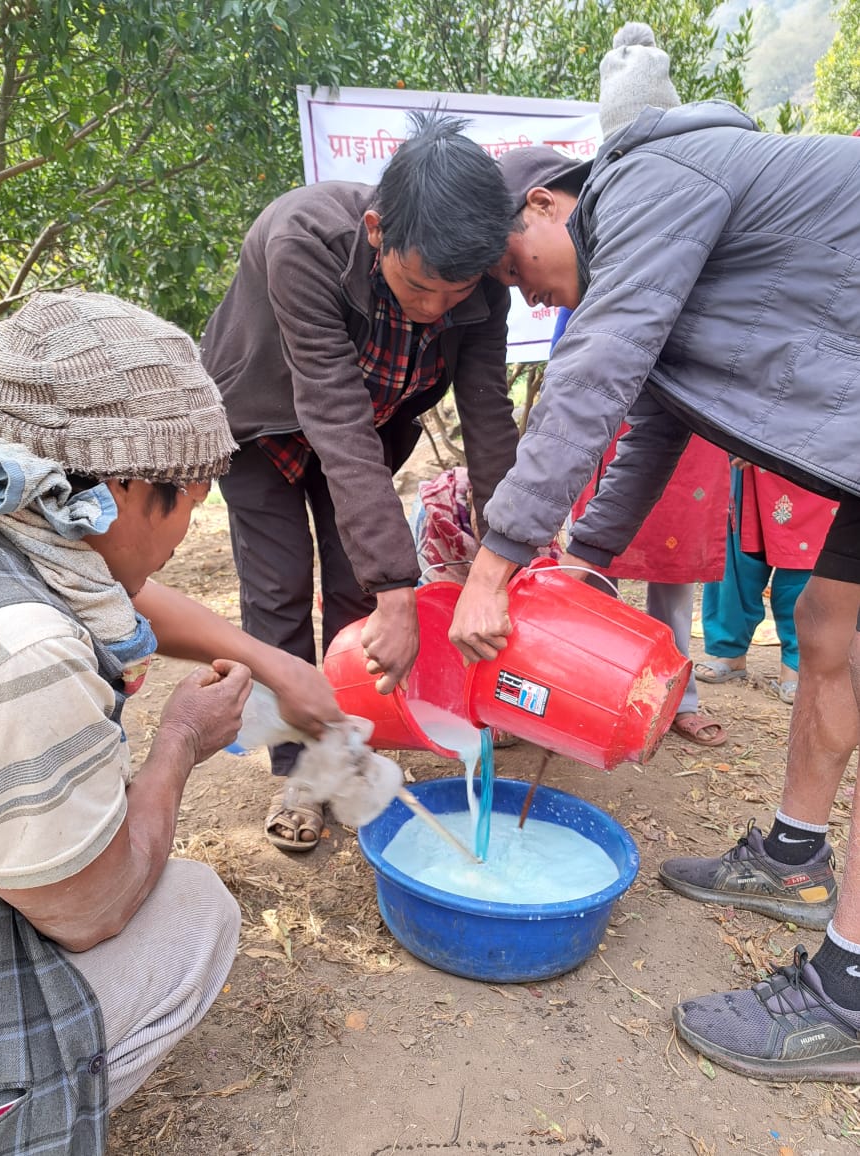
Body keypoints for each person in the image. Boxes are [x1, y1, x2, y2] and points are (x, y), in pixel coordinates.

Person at [448, 22, 860, 1081]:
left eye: (514, 268)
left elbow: (597, 371)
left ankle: (847, 995)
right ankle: (794, 855)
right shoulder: (668, 223)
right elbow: (646, 416)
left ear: (549, 202)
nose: (527, 297)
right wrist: (583, 559)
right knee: (824, 622)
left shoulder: (652, 180)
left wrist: (495, 565)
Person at [0, 290, 341, 1151]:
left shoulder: (26, 518)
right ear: (115, 489)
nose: (193, 524)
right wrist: (180, 742)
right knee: (192, 911)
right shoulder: (27, 652)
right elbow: (88, 908)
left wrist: (274, 663)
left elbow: (126, 587)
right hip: (68, 908)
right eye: (188, 497)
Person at [201, 110, 519, 851]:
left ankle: (343, 752)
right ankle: (300, 776)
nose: (437, 308)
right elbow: (332, 410)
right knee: (279, 590)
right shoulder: (303, 240)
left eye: (456, 292)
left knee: (356, 597)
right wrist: (397, 586)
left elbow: (488, 424)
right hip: (262, 426)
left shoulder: (480, 290)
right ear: (377, 231)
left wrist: (509, 556)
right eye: (420, 287)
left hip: (367, 436)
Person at [555, 305, 730, 747]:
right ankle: (591, 693)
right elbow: (566, 344)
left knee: (675, 569)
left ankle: (676, 699)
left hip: (693, 414)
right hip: (613, 411)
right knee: (593, 568)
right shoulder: (596, 253)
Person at [696, 461, 838, 704]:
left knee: (803, 565)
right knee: (739, 557)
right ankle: (730, 652)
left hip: (813, 459)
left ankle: (796, 664)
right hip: (753, 458)